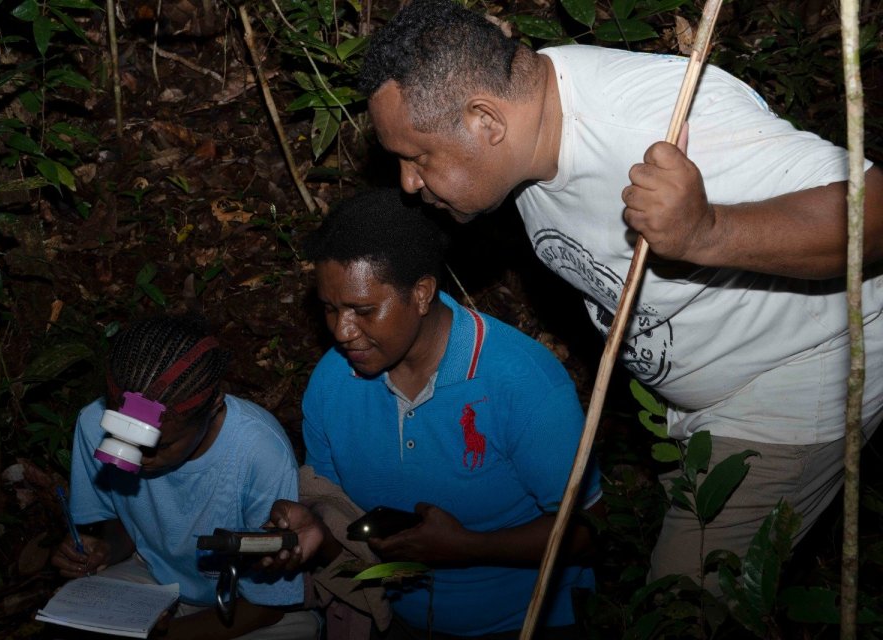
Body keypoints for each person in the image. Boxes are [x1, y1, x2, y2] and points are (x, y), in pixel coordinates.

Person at [355, 0, 883, 590]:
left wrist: (709, 231)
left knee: (680, 610)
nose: (407, 182)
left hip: (790, 383)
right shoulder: (527, 122)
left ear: (485, 121)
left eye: (416, 157)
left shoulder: (647, 120)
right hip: (693, 410)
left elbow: (875, 211)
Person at [266, 188, 603, 639]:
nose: (342, 331)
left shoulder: (521, 383)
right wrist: (316, 531)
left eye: (363, 310)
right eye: (330, 309)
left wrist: (469, 548)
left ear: (422, 293)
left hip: (525, 621)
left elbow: (588, 530)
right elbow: (334, 506)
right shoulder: (332, 384)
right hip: (398, 619)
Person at [50, 314, 320, 639]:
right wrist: (106, 547)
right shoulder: (95, 426)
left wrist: (169, 634)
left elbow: (267, 605)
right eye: (125, 442)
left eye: (158, 446)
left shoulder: (258, 451)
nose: (136, 458)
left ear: (214, 406)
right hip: (154, 578)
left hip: (245, 603)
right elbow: (127, 525)